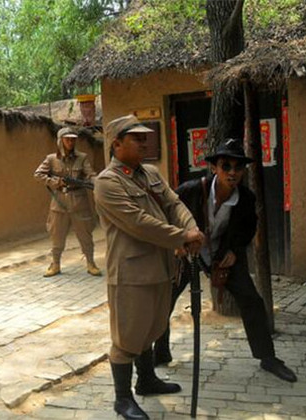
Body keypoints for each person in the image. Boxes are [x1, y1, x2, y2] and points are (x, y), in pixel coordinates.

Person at [154, 138, 297, 383]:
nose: (232, 172)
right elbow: (166, 214)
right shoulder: (191, 190)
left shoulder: (246, 199)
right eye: (226, 166)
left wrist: (234, 249)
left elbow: (249, 227)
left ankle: (268, 358)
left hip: (222, 256)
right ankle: (160, 351)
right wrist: (177, 244)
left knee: (252, 301)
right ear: (214, 168)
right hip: (187, 253)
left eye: (237, 167)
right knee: (164, 299)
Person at [94, 115, 204, 419]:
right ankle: (122, 399)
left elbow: (174, 204)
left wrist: (191, 229)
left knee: (151, 329)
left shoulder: (150, 173)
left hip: (161, 266)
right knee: (127, 337)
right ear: (117, 144)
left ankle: (146, 380)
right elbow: (138, 223)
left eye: (146, 137)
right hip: (131, 274)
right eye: (137, 138)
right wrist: (183, 236)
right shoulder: (107, 183)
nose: (145, 142)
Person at [34, 126, 101, 277]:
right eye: (67, 139)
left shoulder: (82, 158)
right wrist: (55, 182)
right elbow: (38, 174)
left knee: (85, 235)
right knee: (57, 236)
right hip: (59, 203)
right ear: (60, 141)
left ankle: (91, 263)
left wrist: (97, 182)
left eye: (73, 139)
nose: (70, 142)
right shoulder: (52, 159)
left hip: (79, 201)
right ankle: (55, 264)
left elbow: (90, 174)